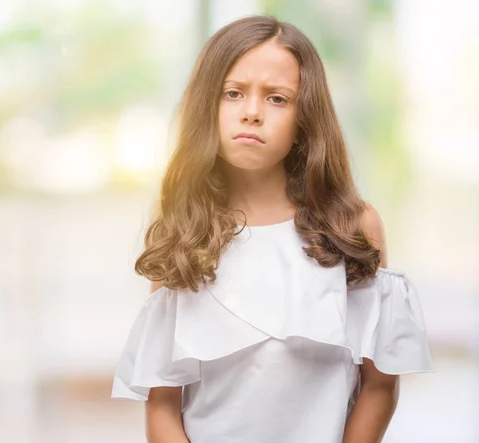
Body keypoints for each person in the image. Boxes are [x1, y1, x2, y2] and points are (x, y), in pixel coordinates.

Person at [110, 15, 434, 443]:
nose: (252, 113)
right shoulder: (184, 233)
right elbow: (162, 406)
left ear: (305, 118)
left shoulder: (352, 227)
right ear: (207, 105)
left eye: (277, 98)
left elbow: (378, 385)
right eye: (233, 93)